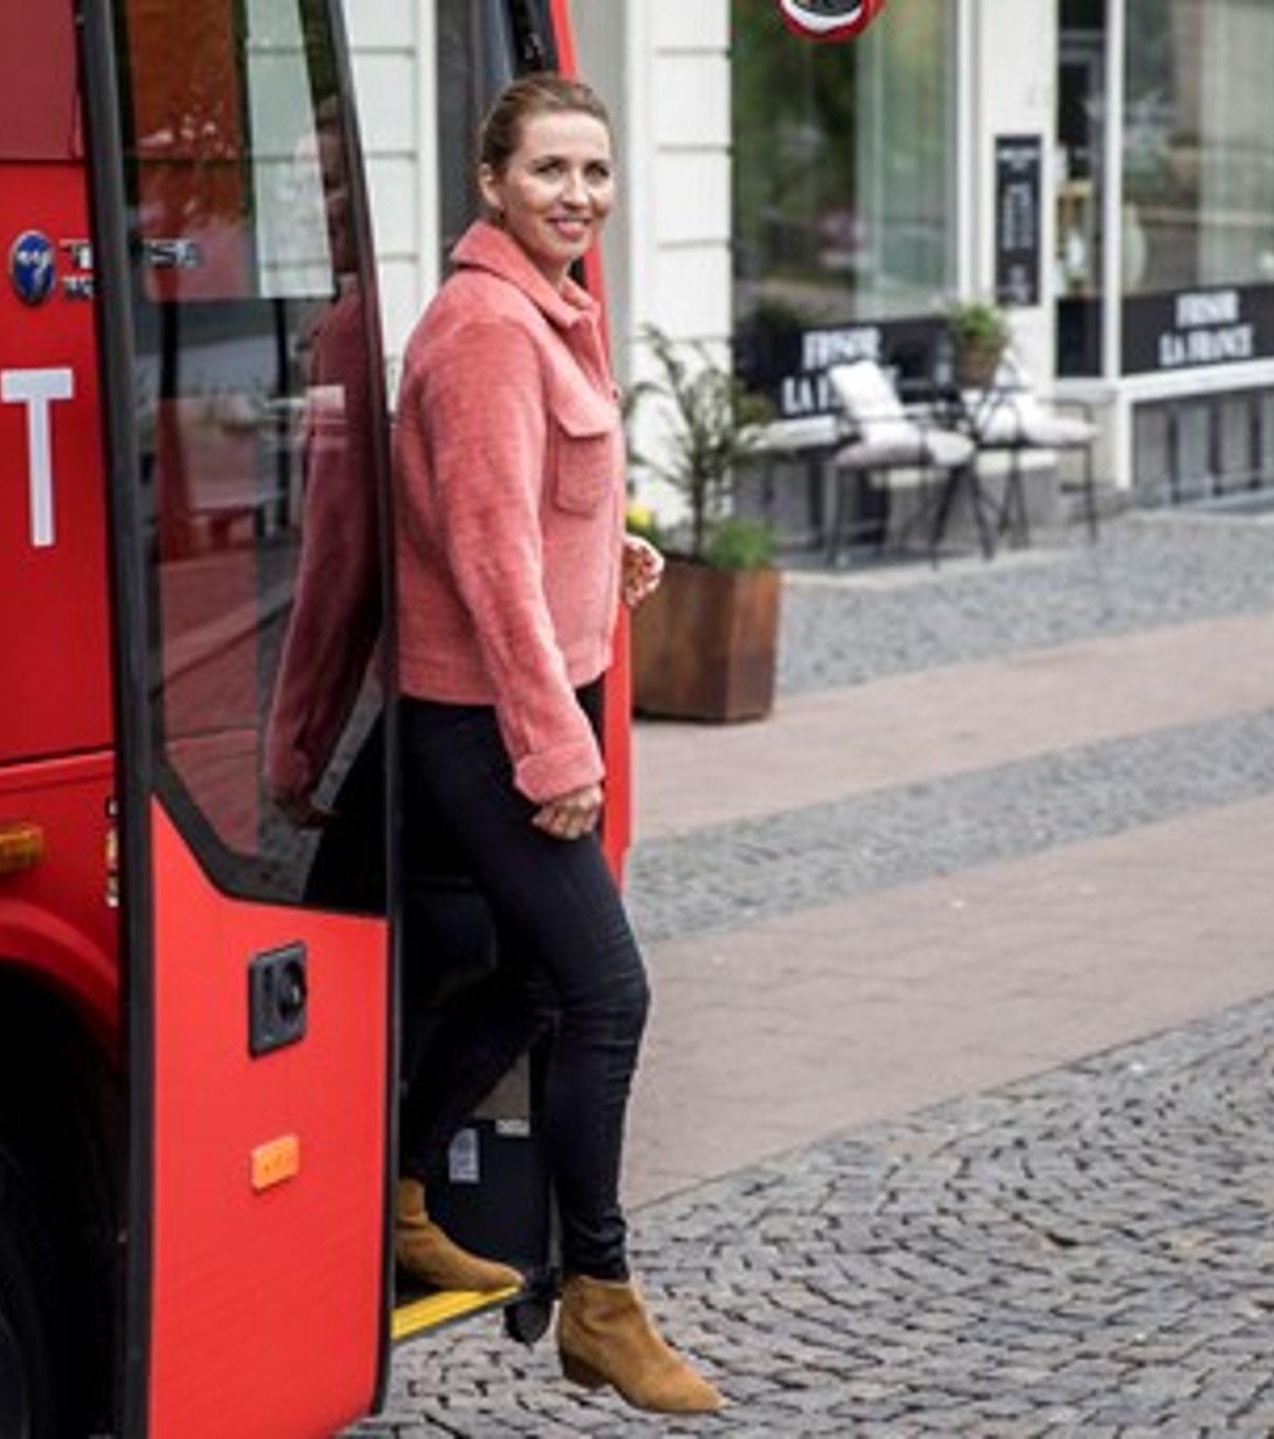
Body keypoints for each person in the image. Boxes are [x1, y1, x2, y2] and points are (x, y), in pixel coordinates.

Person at [381, 73, 716, 1415]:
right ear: (491, 182)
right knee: (607, 995)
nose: (578, 195)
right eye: (549, 171)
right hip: (488, 725)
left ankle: (403, 1193)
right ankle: (601, 1299)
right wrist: (555, 754)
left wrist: (603, 549)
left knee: (531, 978)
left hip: (521, 704)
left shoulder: (549, 308)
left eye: (595, 171)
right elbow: (484, 559)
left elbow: (528, 510)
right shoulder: (485, 329)